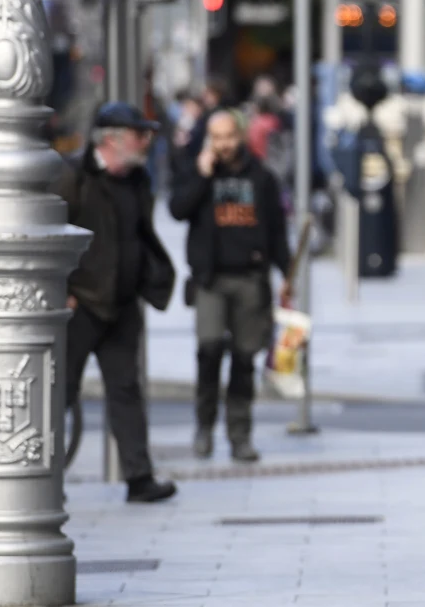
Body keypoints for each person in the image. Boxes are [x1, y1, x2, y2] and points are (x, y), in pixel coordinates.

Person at [54, 102, 178, 504]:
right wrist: (63, 290)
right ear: (112, 140)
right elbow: (52, 236)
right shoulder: (74, 176)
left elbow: (141, 234)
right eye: (139, 135)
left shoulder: (138, 179)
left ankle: (139, 477)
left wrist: (149, 279)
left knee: (126, 389)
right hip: (80, 304)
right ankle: (45, 479)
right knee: (60, 392)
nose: (146, 142)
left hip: (122, 304)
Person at [169, 109, 292, 463]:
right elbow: (178, 209)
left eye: (228, 137)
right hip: (210, 279)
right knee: (208, 350)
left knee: (244, 358)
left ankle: (240, 435)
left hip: (250, 278)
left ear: (240, 137)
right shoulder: (199, 172)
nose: (223, 145)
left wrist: (287, 273)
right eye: (216, 138)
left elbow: (276, 231)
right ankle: (204, 427)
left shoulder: (261, 178)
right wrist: (201, 175)